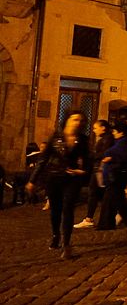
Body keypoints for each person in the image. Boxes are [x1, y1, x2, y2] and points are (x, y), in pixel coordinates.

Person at [26, 111, 91, 259]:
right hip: (54, 178)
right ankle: (56, 235)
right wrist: (32, 180)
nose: (78, 123)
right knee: (56, 210)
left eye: (81, 120)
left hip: (72, 179)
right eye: (75, 119)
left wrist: (82, 171)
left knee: (68, 209)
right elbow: (43, 160)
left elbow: (88, 161)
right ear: (67, 121)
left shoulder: (82, 140)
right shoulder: (56, 138)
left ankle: (66, 244)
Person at [96, 121, 127, 230]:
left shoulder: (124, 142)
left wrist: (109, 157)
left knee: (116, 200)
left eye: (115, 131)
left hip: (117, 175)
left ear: (121, 132)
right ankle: (107, 223)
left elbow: (117, 155)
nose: (113, 133)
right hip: (113, 175)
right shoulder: (119, 142)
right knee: (111, 200)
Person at [75, 120, 115, 229]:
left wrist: (91, 155)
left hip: (101, 169)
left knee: (96, 193)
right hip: (98, 169)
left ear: (103, 128)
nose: (94, 130)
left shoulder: (108, 139)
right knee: (96, 193)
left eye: (95, 128)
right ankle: (89, 218)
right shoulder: (104, 139)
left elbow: (105, 154)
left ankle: (89, 218)